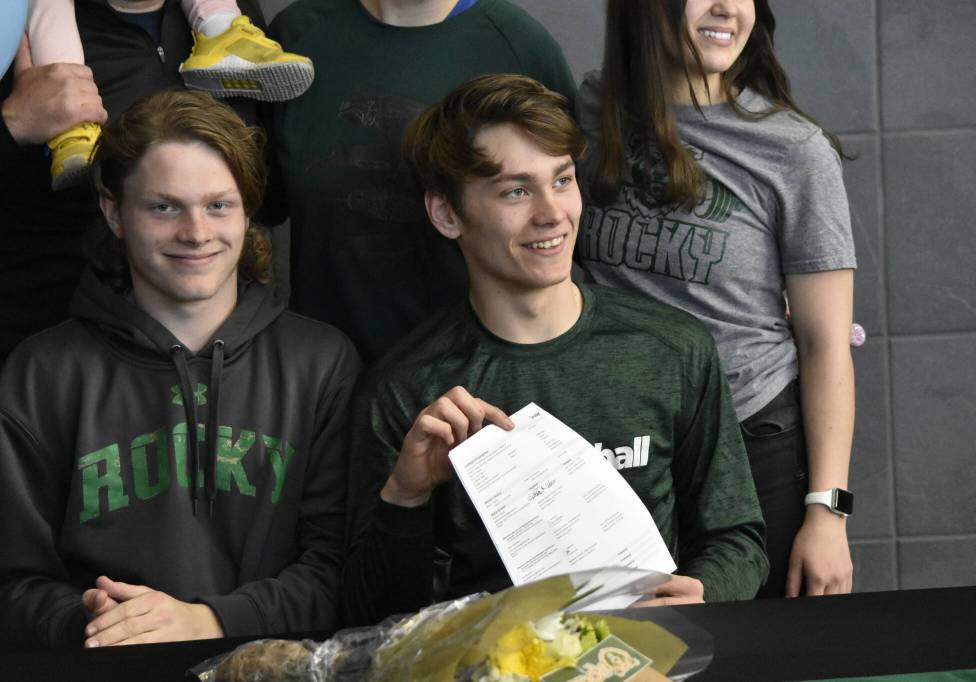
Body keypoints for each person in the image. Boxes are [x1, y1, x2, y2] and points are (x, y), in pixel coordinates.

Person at [341, 74, 767, 627]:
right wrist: (405, 495)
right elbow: (372, 613)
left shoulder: (671, 349)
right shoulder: (405, 391)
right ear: (447, 214)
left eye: (562, 180)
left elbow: (737, 537)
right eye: (516, 191)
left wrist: (704, 594)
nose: (552, 213)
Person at [0, 90, 361, 648]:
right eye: (164, 206)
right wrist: (89, 618)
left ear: (248, 210)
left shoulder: (321, 364)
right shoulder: (41, 373)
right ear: (114, 212)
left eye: (219, 205)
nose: (196, 232)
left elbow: (342, 572)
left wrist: (209, 621)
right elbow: (13, 583)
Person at [575, 0, 857, 598]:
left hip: (754, 444)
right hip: (621, 448)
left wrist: (827, 513)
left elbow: (825, 343)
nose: (728, 7)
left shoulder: (793, 150)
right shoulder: (589, 115)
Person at [268, 0, 577, 363]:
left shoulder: (519, 46)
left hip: (473, 378)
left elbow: (561, 213)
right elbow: (253, 210)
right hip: (323, 375)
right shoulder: (294, 38)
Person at [0, 0, 270, 367]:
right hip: (50, 346)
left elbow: (271, 194)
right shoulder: (20, 25)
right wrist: (13, 124)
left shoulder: (233, 16)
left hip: (217, 350)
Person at [25, 0, 314, 190]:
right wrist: (13, 124)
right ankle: (72, 129)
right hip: (89, 267)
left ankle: (224, 37)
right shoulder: (17, 38)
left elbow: (268, 191)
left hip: (228, 265)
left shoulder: (245, 8)